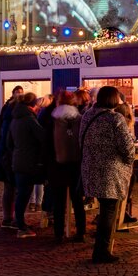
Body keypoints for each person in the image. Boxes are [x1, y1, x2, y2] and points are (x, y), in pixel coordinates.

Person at [80, 85, 136, 264]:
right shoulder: (115, 119)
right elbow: (127, 148)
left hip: (91, 167)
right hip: (111, 171)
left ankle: (101, 249)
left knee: (105, 208)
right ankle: (101, 250)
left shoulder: (88, 115)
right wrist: (129, 160)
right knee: (109, 209)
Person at [47, 91, 86, 243]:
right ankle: (81, 232)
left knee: (59, 201)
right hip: (76, 165)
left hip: (57, 165)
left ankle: (58, 233)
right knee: (77, 201)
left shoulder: (52, 119)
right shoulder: (80, 118)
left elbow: (47, 144)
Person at [8, 92, 47, 238]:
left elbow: (8, 142)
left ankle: (19, 221)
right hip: (29, 161)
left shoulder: (15, 119)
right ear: (32, 105)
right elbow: (42, 137)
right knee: (24, 194)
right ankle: (21, 226)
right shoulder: (29, 119)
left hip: (18, 160)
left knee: (21, 194)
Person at [0, 85, 23, 228]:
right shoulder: (16, 118)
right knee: (17, 189)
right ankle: (16, 219)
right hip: (12, 157)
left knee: (9, 188)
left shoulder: (6, 113)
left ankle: (7, 218)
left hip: (4, 155)